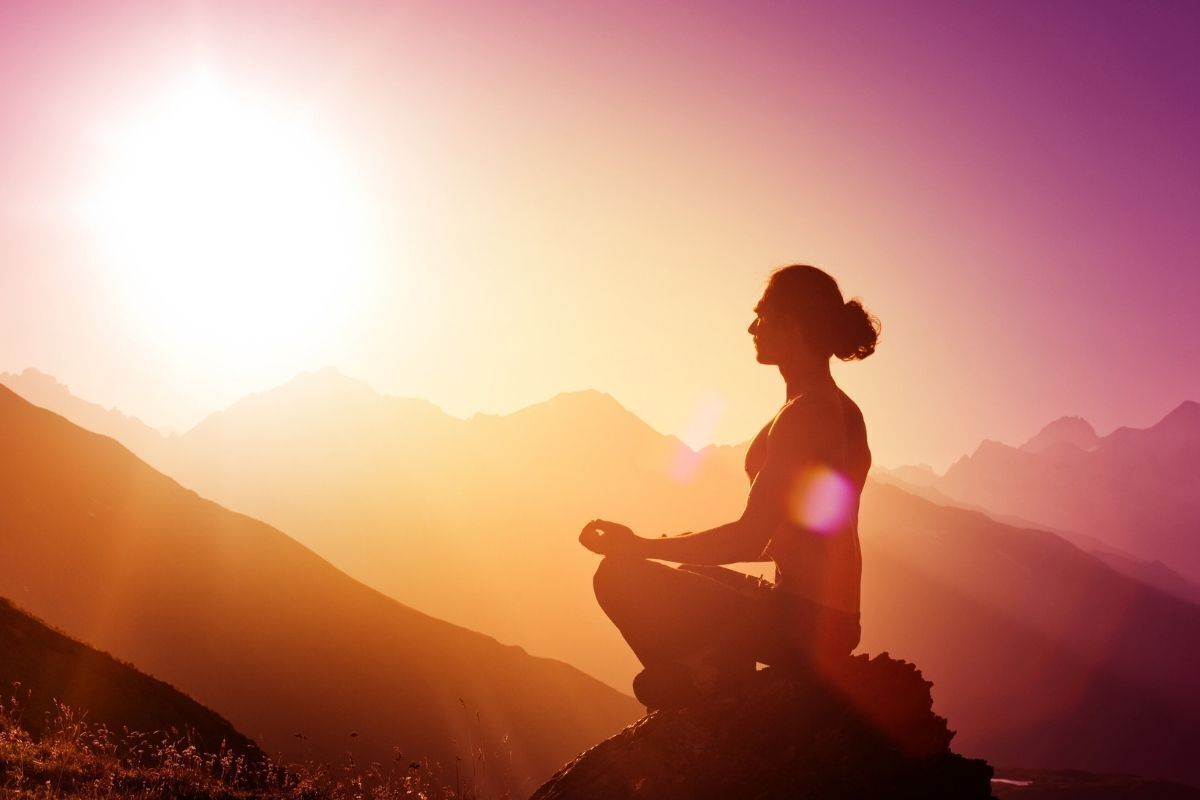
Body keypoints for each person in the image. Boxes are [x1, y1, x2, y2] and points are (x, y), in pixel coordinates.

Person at [579, 264, 879, 710]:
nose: (752, 327)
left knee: (617, 575)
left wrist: (638, 547)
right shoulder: (839, 409)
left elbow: (749, 535)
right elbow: (799, 536)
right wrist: (666, 542)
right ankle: (712, 672)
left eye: (761, 315)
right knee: (685, 571)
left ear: (790, 324)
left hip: (801, 623)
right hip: (830, 620)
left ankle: (706, 687)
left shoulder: (804, 415)